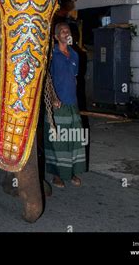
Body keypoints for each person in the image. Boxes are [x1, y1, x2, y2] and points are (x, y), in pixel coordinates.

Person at [44, 22, 87, 188]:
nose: (65, 32)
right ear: (56, 37)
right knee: (58, 141)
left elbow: (74, 78)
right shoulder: (51, 55)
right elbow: (46, 79)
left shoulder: (75, 55)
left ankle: (72, 173)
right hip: (56, 104)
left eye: (67, 30)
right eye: (62, 31)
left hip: (72, 103)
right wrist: (52, 98)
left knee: (74, 138)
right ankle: (57, 175)